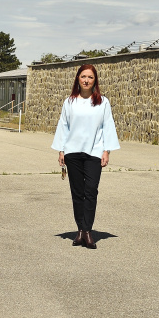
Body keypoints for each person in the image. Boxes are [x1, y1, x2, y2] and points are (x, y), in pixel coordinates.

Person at [52, 64, 120, 249]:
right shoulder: (70, 101)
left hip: (94, 153)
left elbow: (108, 126)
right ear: (78, 79)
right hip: (72, 152)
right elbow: (63, 126)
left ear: (95, 80)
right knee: (77, 193)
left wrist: (107, 150)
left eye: (90, 77)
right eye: (83, 76)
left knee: (91, 191)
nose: (86, 80)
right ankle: (80, 231)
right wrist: (61, 150)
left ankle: (88, 231)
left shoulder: (102, 102)